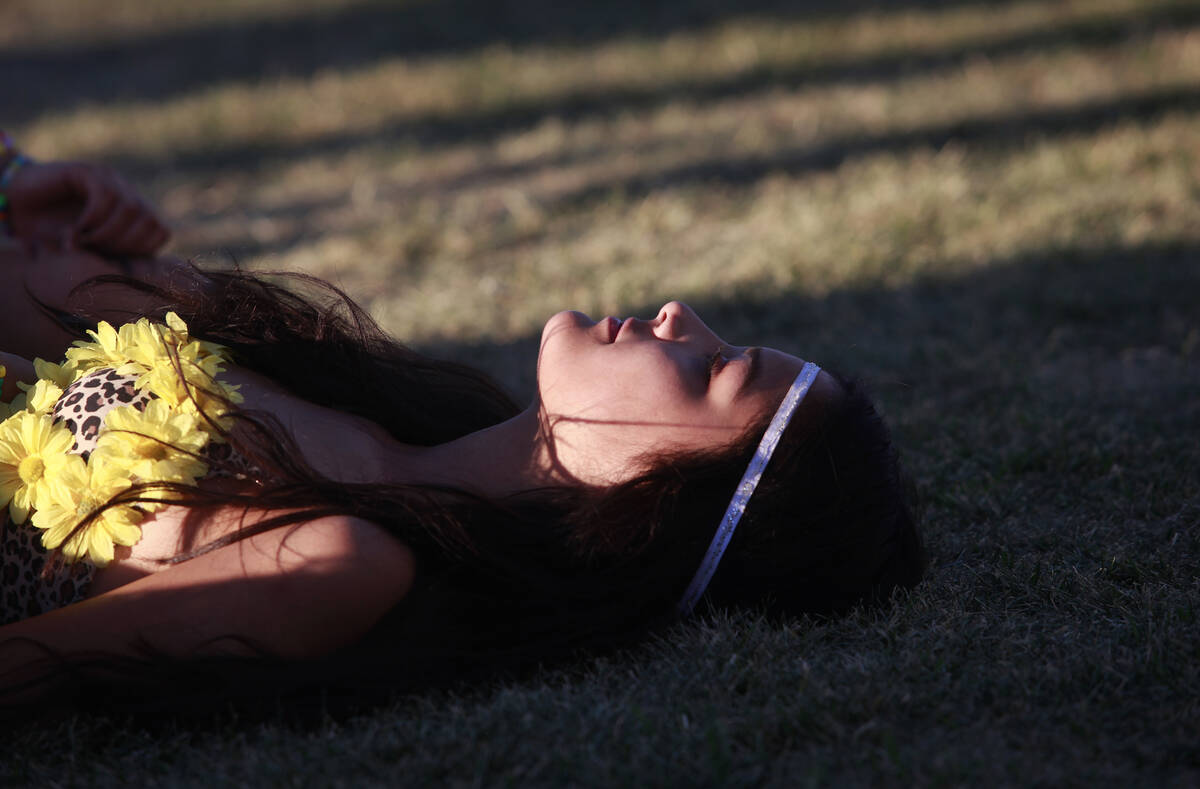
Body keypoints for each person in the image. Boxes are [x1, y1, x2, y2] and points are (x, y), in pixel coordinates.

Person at [0, 137, 925, 713]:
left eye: (720, 369)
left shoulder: (342, 562)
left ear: (659, 497)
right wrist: (14, 184)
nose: (683, 314)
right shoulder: (332, 370)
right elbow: (21, 280)